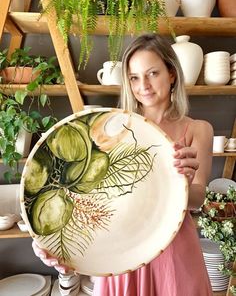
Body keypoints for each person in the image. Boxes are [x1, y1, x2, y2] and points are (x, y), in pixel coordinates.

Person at [33, 33, 214, 296]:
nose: (144, 86)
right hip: (124, 248)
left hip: (174, 249)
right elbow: (92, 194)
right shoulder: (114, 128)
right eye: (134, 77)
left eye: (153, 73)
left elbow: (198, 199)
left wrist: (183, 183)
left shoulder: (198, 129)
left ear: (172, 73)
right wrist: (54, 238)